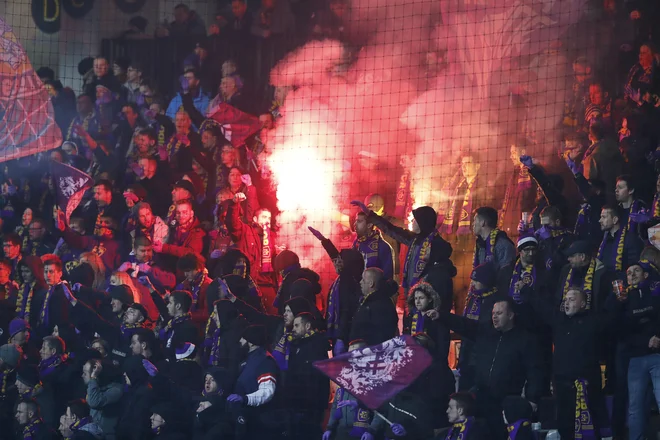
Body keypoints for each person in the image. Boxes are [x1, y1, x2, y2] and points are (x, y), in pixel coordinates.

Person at [432, 297, 543, 440]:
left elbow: (535, 370)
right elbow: (464, 324)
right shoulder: (485, 332)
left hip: (505, 400)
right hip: (480, 395)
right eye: (493, 313)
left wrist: (533, 397)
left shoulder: (525, 340)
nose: (494, 317)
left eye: (499, 313)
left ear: (510, 315)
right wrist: (441, 316)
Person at [283, 312, 329, 439]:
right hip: (295, 404)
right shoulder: (295, 345)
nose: (294, 330)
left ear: (307, 326)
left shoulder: (318, 344)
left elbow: (320, 378)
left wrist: (318, 405)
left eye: (297, 326)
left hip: (311, 406)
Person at [228, 325, 278, 438]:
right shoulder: (247, 360)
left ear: (251, 342)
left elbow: (267, 391)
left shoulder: (265, 361)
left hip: (259, 424)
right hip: (244, 419)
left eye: (243, 338)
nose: (240, 341)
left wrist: (245, 399)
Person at [348, 268, 398, 345]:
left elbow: (379, 335)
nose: (360, 282)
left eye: (363, 280)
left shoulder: (380, 305)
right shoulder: (370, 301)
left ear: (371, 283)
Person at [352, 211, 394, 280]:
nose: (355, 224)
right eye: (355, 221)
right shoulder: (356, 244)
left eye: (359, 221)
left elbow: (387, 278)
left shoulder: (382, 246)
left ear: (369, 225)